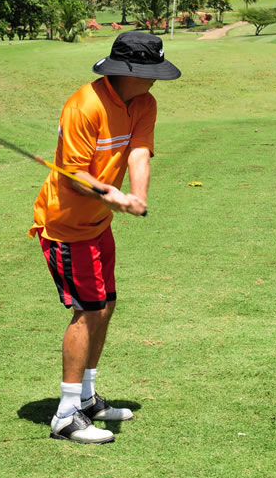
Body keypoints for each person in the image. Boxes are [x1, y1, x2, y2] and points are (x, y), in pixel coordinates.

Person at [29, 31, 181, 444]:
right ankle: (65, 414)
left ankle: (87, 396)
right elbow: (76, 175)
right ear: (127, 72)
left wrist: (138, 196)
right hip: (65, 226)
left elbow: (137, 153)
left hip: (98, 224)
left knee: (106, 305)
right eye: (150, 73)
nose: (156, 81)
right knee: (88, 310)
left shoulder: (144, 103)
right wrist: (112, 195)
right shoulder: (84, 105)